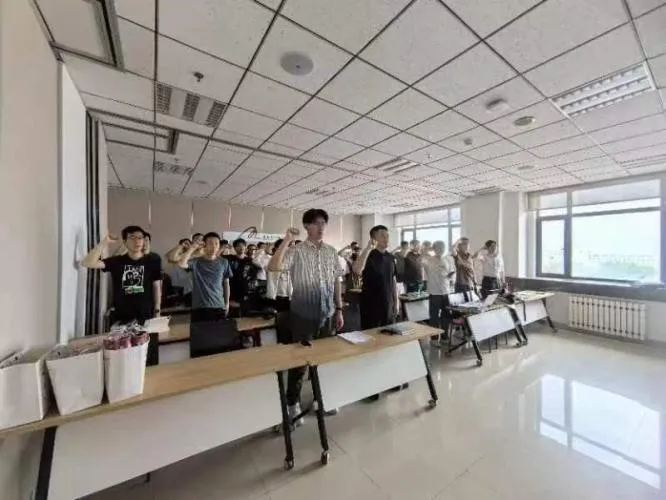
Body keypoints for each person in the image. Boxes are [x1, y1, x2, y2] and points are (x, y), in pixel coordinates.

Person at [268, 209, 345, 426]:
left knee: (324, 360)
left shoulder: (331, 251)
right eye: (316, 223)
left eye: (323, 223)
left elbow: (336, 281)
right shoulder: (296, 251)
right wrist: (287, 240)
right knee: (299, 362)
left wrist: (339, 309)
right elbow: (273, 267)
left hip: (327, 313)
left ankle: (322, 397)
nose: (321, 227)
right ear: (306, 226)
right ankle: (292, 403)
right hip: (302, 315)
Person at [353, 225, 403, 401]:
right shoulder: (368, 255)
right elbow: (357, 270)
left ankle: (388, 379)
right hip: (371, 307)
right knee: (371, 347)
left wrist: (396, 302)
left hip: (388, 307)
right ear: (374, 238)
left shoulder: (390, 257)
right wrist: (368, 248)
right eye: (382, 235)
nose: (386, 238)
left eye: (387, 235)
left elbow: (393, 281)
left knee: (388, 344)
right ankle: (371, 386)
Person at [82, 226, 162, 324]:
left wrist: (157, 310)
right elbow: (87, 263)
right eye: (132, 238)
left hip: (146, 316)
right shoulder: (116, 261)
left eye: (140, 238)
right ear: (124, 242)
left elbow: (156, 285)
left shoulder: (153, 259)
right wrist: (104, 242)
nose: (137, 241)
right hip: (122, 317)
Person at [178, 232, 232, 324]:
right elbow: (181, 263)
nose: (214, 246)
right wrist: (193, 247)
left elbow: (226, 283)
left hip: (218, 306)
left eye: (216, 243)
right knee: (199, 332)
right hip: (199, 307)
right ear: (204, 245)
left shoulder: (224, 262)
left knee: (218, 332)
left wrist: (227, 303)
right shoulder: (196, 262)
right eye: (210, 243)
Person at [423, 241, 456, 347]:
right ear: (434, 248)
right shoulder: (428, 259)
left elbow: (452, 272)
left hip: (446, 291)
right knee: (434, 317)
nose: (441, 249)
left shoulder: (448, 259)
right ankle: (434, 340)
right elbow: (420, 258)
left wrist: (450, 276)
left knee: (446, 316)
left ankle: (444, 337)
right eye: (438, 247)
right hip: (434, 292)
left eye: (442, 247)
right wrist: (428, 249)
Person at [167, 238, 193, 305]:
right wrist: (181, 245)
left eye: (188, 244)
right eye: (184, 244)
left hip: (191, 286)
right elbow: (169, 257)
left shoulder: (195, 255)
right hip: (179, 286)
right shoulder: (177, 256)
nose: (186, 246)